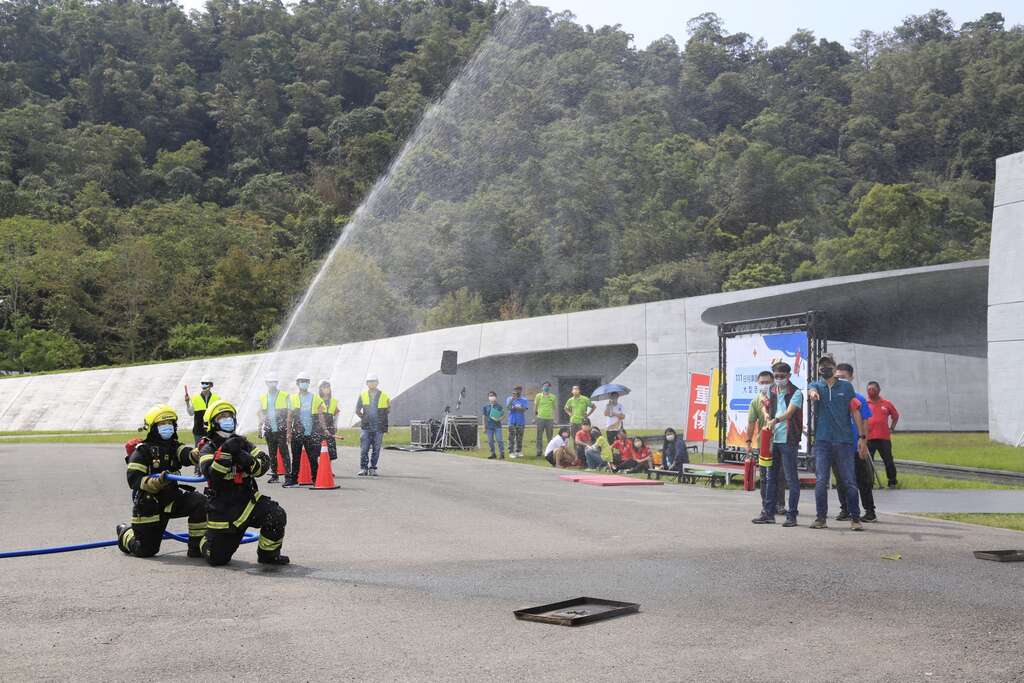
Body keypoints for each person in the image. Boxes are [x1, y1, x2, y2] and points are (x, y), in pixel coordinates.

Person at [197, 399, 289, 566]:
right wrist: (225, 453)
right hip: (223, 509)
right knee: (218, 559)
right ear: (212, 423)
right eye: (222, 417)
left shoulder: (243, 443)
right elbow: (211, 474)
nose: (227, 420)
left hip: (248, 501)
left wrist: (245, 458)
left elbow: (263, 464)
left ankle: (268, 555)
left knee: (276, 514)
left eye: (230, 416)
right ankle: (204, 542)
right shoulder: (207, 448)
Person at [116, 404, 206, 558]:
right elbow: (134, 480)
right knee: (145, 550)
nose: (168, 427)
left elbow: (186, 455)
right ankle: (125, 532)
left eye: (170, 423)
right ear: (152, 428)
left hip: (172, 499)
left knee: (200, 502)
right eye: (163, 424)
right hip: (150, 506)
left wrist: (200, 451)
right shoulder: (142, 451)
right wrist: (157, 482)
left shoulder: (174, 446)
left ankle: (196, 547)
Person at [807, 354, 869, 531]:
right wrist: (813, 394)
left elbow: (855, 411)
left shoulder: (846, 387)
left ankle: (855, 518)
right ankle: (820, 518)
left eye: (828, 365)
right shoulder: (816, 385)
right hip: (822, 441)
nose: (824, 368)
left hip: (844, 441)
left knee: (849, 480)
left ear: (834, 368)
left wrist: (862, 438)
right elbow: (811, 391)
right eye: (822, 366)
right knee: (821, 480)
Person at [752, 362, 803, 527]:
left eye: (782, 376)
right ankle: (768, 513)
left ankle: (792, 515)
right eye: (776, 376)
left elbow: (789, 413)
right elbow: (765, 406)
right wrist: (766, 415)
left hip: (789, 440)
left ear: (789, 376)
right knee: (770, 477)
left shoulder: (796, 392)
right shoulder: (772, 390)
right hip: (773, 440)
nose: (779, 379)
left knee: (791, 478)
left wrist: (775, 420)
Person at [835, 363, 876, 523]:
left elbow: (865, 421)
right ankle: (845, 509)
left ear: (851, 378)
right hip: (838, 446)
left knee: (861, 479)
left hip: (855, 446)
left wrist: (863, 442)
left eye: (844, 377)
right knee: (840, 480)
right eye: (837, 377)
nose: (840, 380)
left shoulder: (858, 398)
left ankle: (869, 510)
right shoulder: (833, 396)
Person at [746, 371, 785, 518]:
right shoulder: (756, 401)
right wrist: (748, 442)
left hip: (780, 442)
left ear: (773, 382)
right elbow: (751, 423)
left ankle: (780, 505)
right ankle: (766, 504)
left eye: (767, 382)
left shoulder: (778, 398)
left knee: (779, 475)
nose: (764, 385)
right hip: (763, 444)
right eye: (761, 382)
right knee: (764, 477)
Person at [285, 371, 325, 487]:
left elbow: (320, 415)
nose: (304, 383)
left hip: (311, 433)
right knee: (296, 458)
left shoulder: (315, 398)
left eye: (306, 381)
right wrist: (288, 433)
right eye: (302, 381)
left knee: (313, 458)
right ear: (297, 383)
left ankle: (316, 479)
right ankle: (293, 480)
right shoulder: (292, 399)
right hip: (297, 433)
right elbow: (289, 418)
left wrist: (324, 429)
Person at [866, 381, 900, 488]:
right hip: (869, 438)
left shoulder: (886, 403)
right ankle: (869, 482)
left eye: (873, 389)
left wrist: (892, 428)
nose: (871, 391)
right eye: (869, 389)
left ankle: (892, 481)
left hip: (883, 438)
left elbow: (895, 416)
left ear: (878, 390)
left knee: (888, 460)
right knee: (868, 462)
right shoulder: (865, 403)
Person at [257, 376, 290, 483]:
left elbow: (290, 412)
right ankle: (274, 475)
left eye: (274, 381)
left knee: (284, 453)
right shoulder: (263, 397)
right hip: (269, 429)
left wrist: (289, 429)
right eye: (270, 382)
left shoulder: (284, 395)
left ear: (277, 382)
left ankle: (288, 476)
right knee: (272, 453)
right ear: (266, 383)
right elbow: (261, 413)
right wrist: (259, 427)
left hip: (281, 429)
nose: (272, 383)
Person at [356, 373, 390, 476]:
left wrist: (380, 420)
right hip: (366, 427)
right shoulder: (363, 395)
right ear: (367, 383)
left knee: (376, 448)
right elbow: (357, 410)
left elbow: (388, 409)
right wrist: (364, 418)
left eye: (374, 381)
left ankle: (373, 468)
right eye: (370, 382)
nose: (372, 383)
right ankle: (363, 468)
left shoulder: (384, 395)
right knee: (364, 448)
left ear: (377, 383)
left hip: (378, 427)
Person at [184, 376, 219, 446]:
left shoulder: (217, 398)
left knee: (212, 449)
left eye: (206, 383)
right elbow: (190, 413)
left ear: (211, 385)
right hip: (198, 431)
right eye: (203, 383)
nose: (204, 385)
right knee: (198, 451)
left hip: (212, 431)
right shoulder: (195, 398)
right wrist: (187, 402)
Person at [316, 379, 340, 461]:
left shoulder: (333, 401)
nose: (326, 389)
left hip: (330, 426)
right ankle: (319, 470)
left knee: (330, 450)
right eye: (324, 387)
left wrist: (335, 425)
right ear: (320, 389)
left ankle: (328, 470)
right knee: (318, 449)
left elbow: (336, 413)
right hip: (318, 427)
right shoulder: (316, 400)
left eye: (328, 387)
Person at [534, 381, 557, 459]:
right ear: (542, 387)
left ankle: (549, 452)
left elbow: (554, 408)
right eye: (545, 386)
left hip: (550, 419)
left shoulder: (553, 397)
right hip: (540, 418)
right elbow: (536, 407)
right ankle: (539, 452)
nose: (546, 387)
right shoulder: (538, 396)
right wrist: (535, 417)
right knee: (539, 436)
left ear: (550, 388)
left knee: (550, 437)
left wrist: (555, 418)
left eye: (548, 386)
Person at [505, 386, 529, 458]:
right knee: (511, 437)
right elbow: (508, 408)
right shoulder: (509, 398)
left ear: (521, 391)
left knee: (519, 437)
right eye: (516, 390)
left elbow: (524, 409)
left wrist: (516, 407)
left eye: (519, 390)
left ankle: (518, 451)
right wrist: (512, 400)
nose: (517, 392)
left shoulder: (524, 399)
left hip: (520, 421)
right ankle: (511, 452)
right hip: (512, 421)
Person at [482, 391, 506, 460]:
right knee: (490, 441)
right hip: (489, 427)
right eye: (490, 395)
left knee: (499, 440)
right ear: (488, 397)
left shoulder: (499, 406)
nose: (491, 397)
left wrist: (500, 419)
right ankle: (493, 453)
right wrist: (484, 426)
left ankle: (502, 454)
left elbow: (503, 414)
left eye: (492, 395)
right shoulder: (486, 406)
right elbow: (484, 416)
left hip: (497, 426)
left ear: (495, 397)